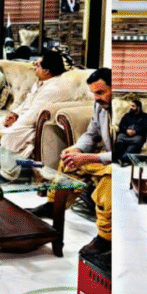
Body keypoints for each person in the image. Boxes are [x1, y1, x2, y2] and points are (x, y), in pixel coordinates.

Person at [30, 68, 112, 256]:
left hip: (122, 165)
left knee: (109, 181)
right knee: (68, 159)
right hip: (104, 158)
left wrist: (87, 157)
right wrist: (77, 149)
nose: (96, 98)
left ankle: (106, 238)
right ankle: (54, 205)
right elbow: (91, 134)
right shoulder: (100, 106)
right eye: (94, 93)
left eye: (101, 92)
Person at [0, 51, 76, 177]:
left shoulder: (54, 88)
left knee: (9, 136)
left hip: (35, 125)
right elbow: (27, 103)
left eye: (37, 65)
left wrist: (13, 124)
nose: (34, 67)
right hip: (23, 119)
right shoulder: (41, 81)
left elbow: (33, 116)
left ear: (47, 71)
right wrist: (14, 114)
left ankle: (8, 173)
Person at [113, 97, 147, 165]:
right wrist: (126, 131)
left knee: (137, 142)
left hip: (137, 136)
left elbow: (146, 127)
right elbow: (121, 125)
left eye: (133, 106)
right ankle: (124, 159)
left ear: (138, 107)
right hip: (125, 135)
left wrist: (136, 132)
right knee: (119, 137)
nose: (131, 107)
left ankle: (122, 158)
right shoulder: (127, 115)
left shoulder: (145, 116)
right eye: (130, 106)